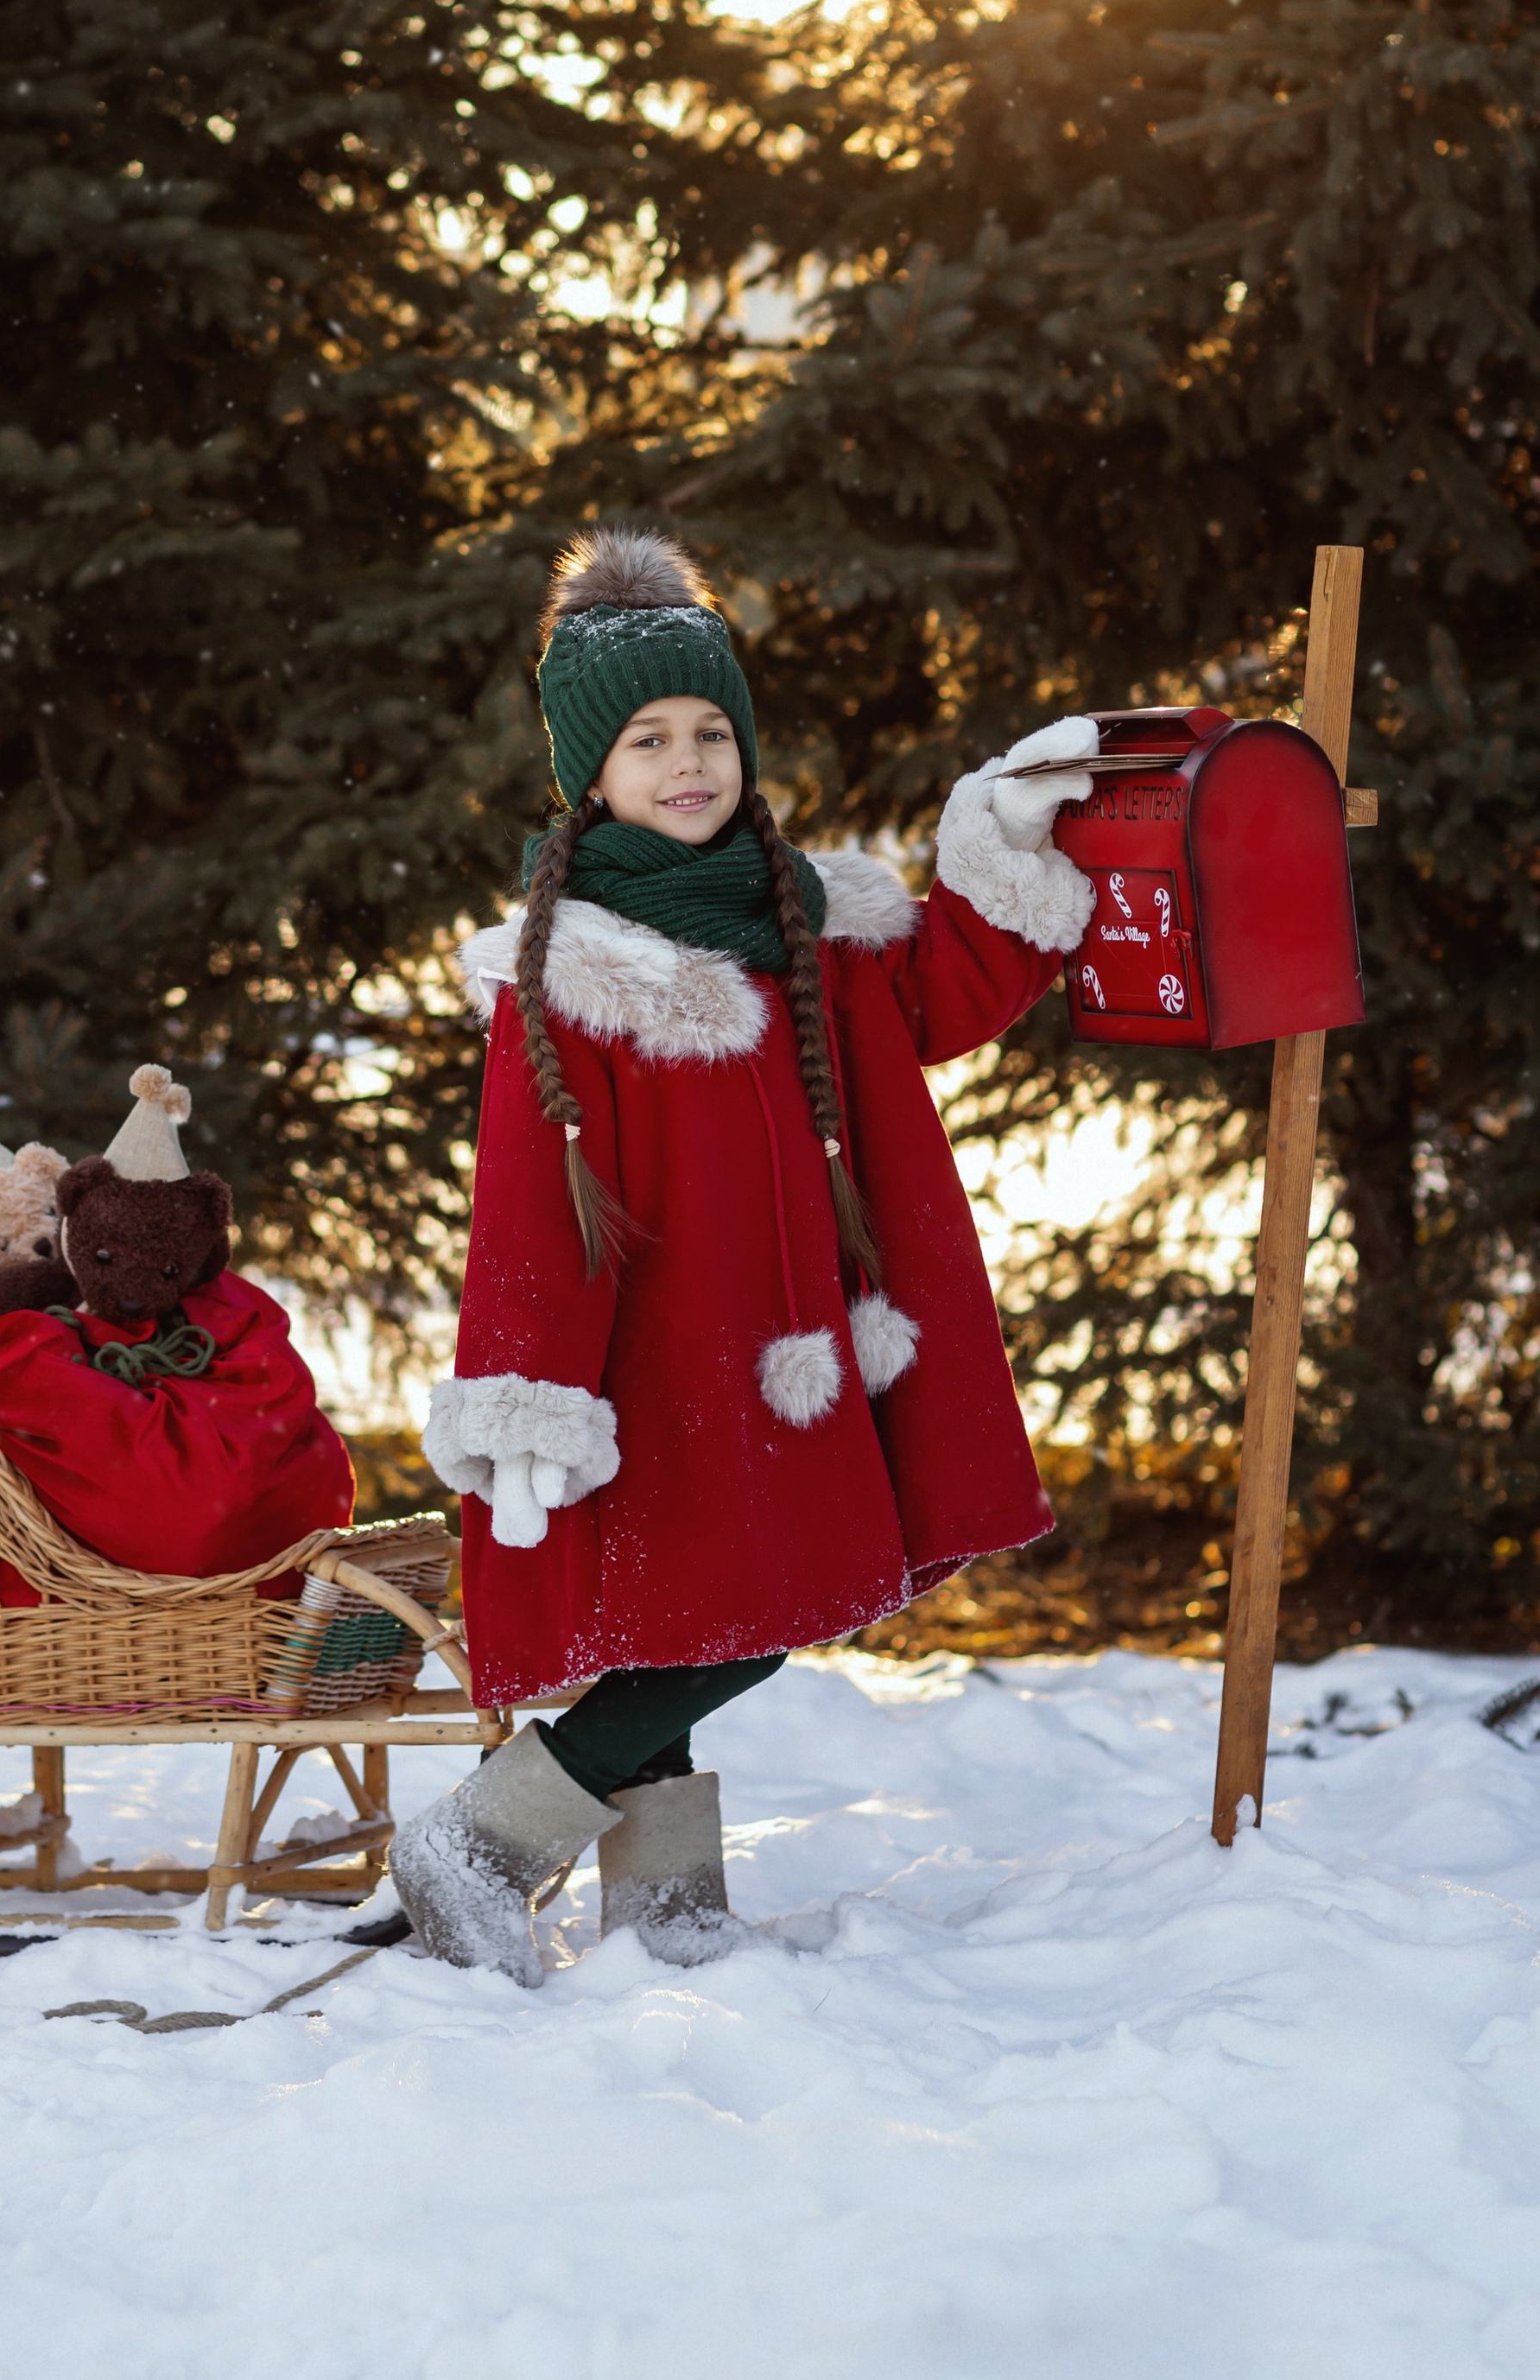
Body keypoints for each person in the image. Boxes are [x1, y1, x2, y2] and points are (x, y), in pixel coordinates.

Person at [389, 527, 1101, 1982]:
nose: (689, 761)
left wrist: (1000, 845)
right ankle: (483, 1839)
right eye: (649, 740)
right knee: (735, 1616)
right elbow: (530, 1213)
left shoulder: (813, 921)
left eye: (711, 729)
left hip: (802, 1344)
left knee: (705, 1608)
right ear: (590, 775)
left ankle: (667, 1907)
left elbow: (946, 993)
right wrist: (527, 1399)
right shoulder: (568, 968)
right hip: (660, 1358)